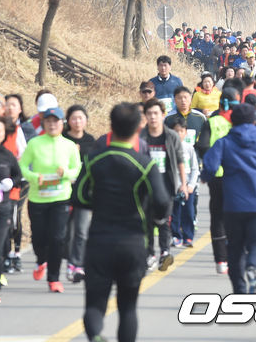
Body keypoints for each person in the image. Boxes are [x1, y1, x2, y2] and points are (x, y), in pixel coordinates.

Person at [72, 103, 171, 342]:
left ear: (111, 126)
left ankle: (96, 336)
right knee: (127, 307)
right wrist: (155, 217)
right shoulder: (145, 164)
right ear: (138, 128)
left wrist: (99, 202)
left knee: (95, 304)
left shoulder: (93, 159)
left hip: (99, 241)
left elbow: (79, 196)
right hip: (133, 243)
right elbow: (162, 201)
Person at [201, 103, 256, 295]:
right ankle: (253, 267)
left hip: (233, 204)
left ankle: (240, 290)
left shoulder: (224, 143)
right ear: (254, 121)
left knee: (235, 247)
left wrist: (205, 177)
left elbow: (210, 166)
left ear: (232, 121)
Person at [19, 106, 81, 293]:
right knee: (39, 237)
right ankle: (41, 261)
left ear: (62, 123)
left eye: (56, 121)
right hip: (38, 198)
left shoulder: (69, 145)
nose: (52, 124)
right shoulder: (35, 143)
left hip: (61, 197)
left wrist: (66, 173)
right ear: (44, 123)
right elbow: (22, 166)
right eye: (48, 121)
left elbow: (77, 169)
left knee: (58, 238)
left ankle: (53, 279)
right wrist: (33, 177)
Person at [195, 86, 241, 274]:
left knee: (218, 216)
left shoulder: (212, 122)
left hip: (217, 177)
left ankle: (221, 260)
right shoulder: (242, 123)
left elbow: (202, 145)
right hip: (238, 176)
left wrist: (210, 163)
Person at [140, 99, 187, 270]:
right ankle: (150, 254)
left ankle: (165, 253)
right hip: (145, 186)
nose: (153, 117)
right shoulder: (140, 137)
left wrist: (183, 183)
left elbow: (180, 160)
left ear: (163, 115)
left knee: (164, 220)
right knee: (147, 221)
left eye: (156, 113)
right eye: (149, 114)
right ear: (145, 116)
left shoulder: (171, 136)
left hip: (166, 185)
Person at [63, 105, 95, 283]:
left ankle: (76, 264)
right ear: (68, 121)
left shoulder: (91, 141)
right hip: (64, 190)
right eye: (74, 118)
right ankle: (69, 259)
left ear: (86, 121)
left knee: (82, 231)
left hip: (83, 192)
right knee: (65, 232)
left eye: (81, 118)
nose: (77, 121)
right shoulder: (62, 139)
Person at [0, 115, 22, 304]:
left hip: (1, 210)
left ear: (4, 134)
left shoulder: (7, 155)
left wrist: (10, 182)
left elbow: (19, 176)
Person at [2, 94, 28, 273]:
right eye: (7, 104)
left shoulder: (20, 129)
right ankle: (5, 255)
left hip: (16, 181)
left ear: (20, 108)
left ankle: (14, 254)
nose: (10, 108)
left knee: (14, 219)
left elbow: (23, 154)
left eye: (14, 105)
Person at [169, 117, 199, 247]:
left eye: (181, 131)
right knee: (174, 213)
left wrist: (191, 185)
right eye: (176, 131)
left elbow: (195, 168)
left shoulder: (189, 148)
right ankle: (176, 236)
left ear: (186, 133)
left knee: (189, 212)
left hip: (188, 187)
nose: (179, 134)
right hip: (174, 186)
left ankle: (188, 236)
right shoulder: (168, 148)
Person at [164, 86, 206, 151]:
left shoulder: (200, 117)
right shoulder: (168, 118)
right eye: (179, 98)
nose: (183, 100)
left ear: (191, 99)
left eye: (185, 97)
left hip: (196, 152)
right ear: (174, 100)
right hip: (175, 151)